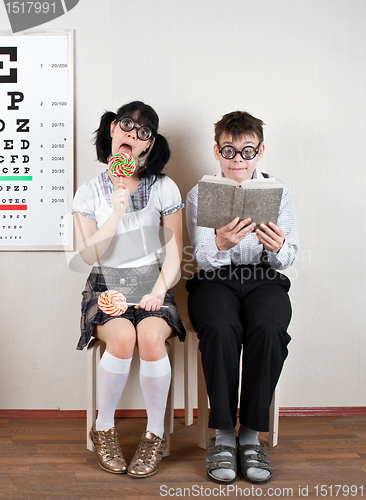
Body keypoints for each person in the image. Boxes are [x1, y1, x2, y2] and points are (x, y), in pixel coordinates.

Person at [72, 101, 185, 478]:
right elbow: (89, 256)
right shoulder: (88, 192)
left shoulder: (163, 187)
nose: (132, 135)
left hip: (153, 283)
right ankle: (104, 427)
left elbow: (174, 253)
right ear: (111, 131)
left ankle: (154, 435)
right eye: (126, 126)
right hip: (107, 284)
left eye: (144, 133)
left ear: (148, 147)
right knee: (122, 339)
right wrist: (117, 209)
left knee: (151, 338)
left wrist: (159, 289)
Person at [186, 111, 298, 485]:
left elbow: (290, 254)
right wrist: (221, 243)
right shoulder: (201, 193)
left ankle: (250, 435)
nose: (238, 159)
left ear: (260, 151)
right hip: (215, 280)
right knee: (220, 327)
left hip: (263, 278)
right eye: (229, 151)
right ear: (216, 151)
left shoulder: (278, 191)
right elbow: (201, 256)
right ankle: (223, 435)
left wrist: (278, 246)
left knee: (268, 328)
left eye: (247, 151)